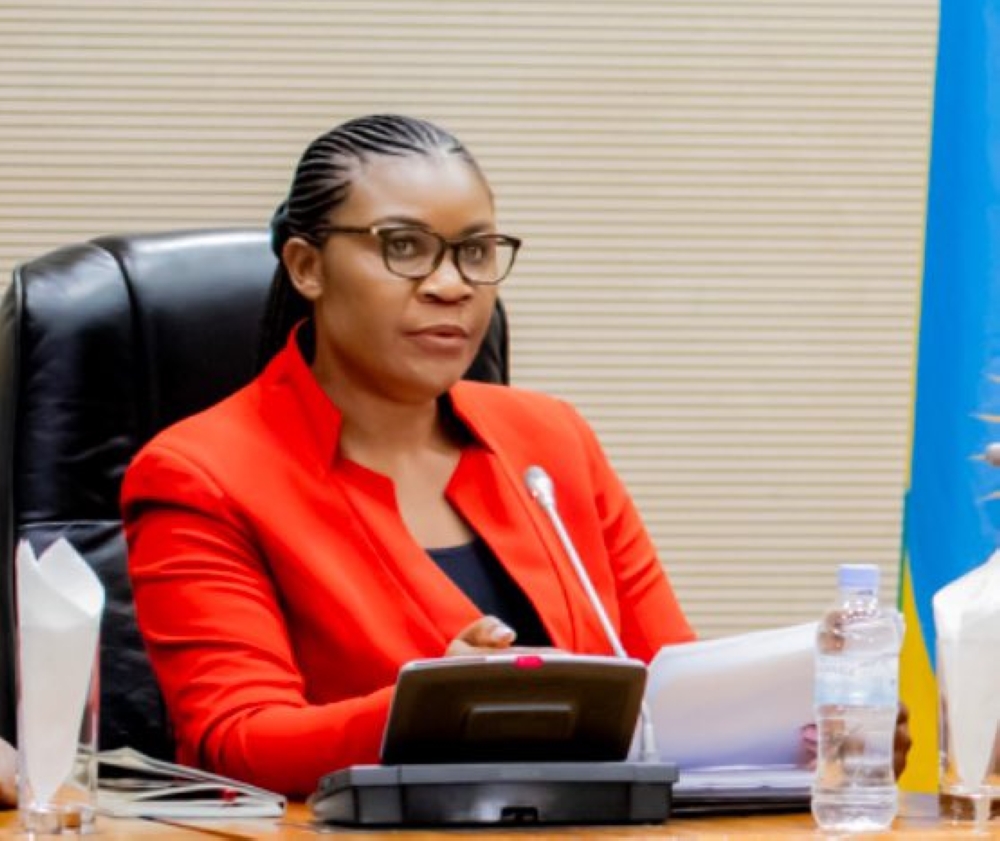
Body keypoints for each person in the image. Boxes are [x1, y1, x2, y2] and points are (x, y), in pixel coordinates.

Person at [121, 114, 909, 798]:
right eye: (404, 248)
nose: (449, 285)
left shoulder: (549, 441)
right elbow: (235, 741)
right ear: (306, 266)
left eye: (476, 252)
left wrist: (808, 728)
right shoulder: (202, 473)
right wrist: (429, 707)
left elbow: (668, 688)